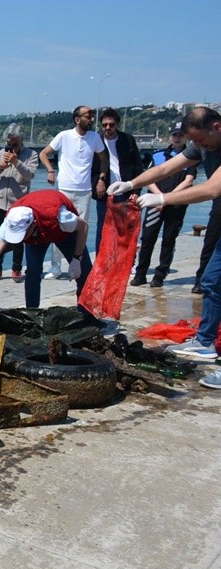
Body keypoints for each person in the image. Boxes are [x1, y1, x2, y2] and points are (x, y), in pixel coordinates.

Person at [110, 106, 221, 386]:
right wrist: (131, 184)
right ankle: (205, 342)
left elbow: (212, 189)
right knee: (211, 281)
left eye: (201, 140)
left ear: (216, 127)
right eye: (194, 141)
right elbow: (164, 168)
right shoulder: (202, 146)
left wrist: (163, 200)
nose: (198, 147)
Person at [0, 189, 92, 310]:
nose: (20, 239)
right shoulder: (11, 221)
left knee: (85, 272)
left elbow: (83, 227)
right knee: (32, 273)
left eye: (22, 235)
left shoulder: (61, 216)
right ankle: (32, 312)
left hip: (60, 230)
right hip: (37, 238)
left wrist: (76, 258)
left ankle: (86, 312)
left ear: (33, 224)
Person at [39, 106, 109, 277]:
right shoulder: (64, 136)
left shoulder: (94, 138)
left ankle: (77, 263)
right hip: (63, 188)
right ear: (77, 119)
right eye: (88, 116)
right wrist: (50, 170)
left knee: (81, 229)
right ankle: (55, 267)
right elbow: (43, 154)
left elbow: (104, 159)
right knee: (59, 226)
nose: (91, 119)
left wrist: (102, 179)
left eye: (92, 116)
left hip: (84, 191)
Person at [131, 122, 196, 288]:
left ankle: (160, 275)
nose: (177, 138)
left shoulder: (191, 157)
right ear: (171, 136)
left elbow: (189, 181)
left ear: (186, 137)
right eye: (175, 135)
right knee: (148, 238)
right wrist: (159, 197)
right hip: (154, 204)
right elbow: (149, 177)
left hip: (177, 204)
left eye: (181, 135)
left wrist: (169, 197)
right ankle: (140, 274)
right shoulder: (158, 155)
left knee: (168, 239)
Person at [0, 124, 38, 282]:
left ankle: (16, 268)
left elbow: (30, 175)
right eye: (9, 144)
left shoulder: (31, 155)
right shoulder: (0, 154)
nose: (11, 148)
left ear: (21, 140)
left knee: (19, 238)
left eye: (15, 144)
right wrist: (0, 168)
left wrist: (17, 163)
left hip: (20, 203)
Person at [91, 107, 144, 255]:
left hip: (125, 190)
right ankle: (100, 261)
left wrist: (136, 191)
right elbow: (91, 168)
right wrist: (97, 184)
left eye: (111, 125)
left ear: (117, 124)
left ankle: (125, 260)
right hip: (105, 192)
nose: (107, 128)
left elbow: (137, 166)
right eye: (104, 125)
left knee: (126, 228)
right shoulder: (97, 141)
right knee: (103, 228)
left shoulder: (127, 140)